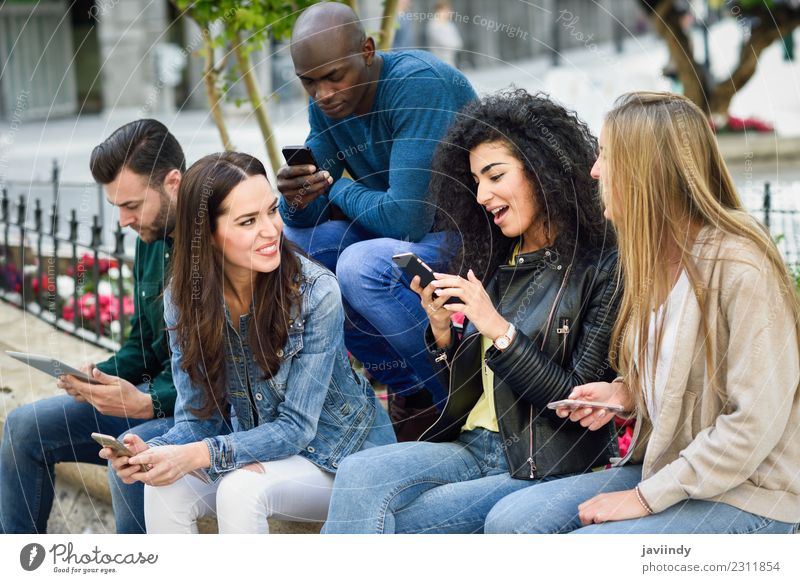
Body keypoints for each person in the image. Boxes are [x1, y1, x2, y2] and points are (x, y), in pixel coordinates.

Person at [485, 91, 800, 535]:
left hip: (751, 493)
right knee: (510, 522)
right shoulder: (648, 260)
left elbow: (753, 421)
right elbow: (686, 377)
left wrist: (642, 498)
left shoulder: (740, 266)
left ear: (647, 169)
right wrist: (625, 395)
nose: (594, 170)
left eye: (607, 156)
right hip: (674, 470)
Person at [321, 89, 621, 534]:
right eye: (476, 181)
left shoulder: (601, 265)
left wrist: (497, 327)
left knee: (398, 523)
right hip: (471, 446)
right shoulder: (503, 257)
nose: (482, 195)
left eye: (495, 176)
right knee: (356, 476)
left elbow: (575, 397)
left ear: (542, 169)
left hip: (539, 462)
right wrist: (442, 334)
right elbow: (468, 394)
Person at [102, 152, 396, 534]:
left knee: (240, 490)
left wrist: (197, 454)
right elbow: (197, 419)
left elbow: (295, 429)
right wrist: (157, 453)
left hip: (339, 456)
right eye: (247, 221)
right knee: (165, 485)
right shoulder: (183, 299)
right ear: (205, 233)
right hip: (257, 450)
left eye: (271, 211)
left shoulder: (315, 293)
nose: (271, 230)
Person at [277, 2, 477, 439]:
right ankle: (414, 390)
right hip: (408, 240)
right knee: (293, 248)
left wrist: (333, 187)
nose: (324, 93)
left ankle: (458, 392)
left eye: (335, 76)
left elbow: (406, 219)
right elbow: (308, 215)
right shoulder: (328, 109)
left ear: (367, 50)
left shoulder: (417, 86)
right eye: (309, 82)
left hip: (464, 243)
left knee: (362, 266)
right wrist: (294, 195)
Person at [0, 119, 182, 534]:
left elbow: (225, 374)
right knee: (22, 428)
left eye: (132, 205)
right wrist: (100, 377)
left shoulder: (217, 242)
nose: (122, 220)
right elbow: (143, 342)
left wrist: (148, 402)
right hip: (150, 405)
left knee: (131, 460)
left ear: (173, 182)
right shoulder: (149, 239)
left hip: (203, 417)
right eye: (117, 206)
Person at [426, 2, 463, 68]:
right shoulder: (433, 25)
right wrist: (452, 44)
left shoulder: (449, 24)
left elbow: (459, 43)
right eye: (447, 10)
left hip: (451, 60)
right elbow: (444, 43)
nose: (449, 13)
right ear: (439, 10)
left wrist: (453, 44)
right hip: (438, 61)